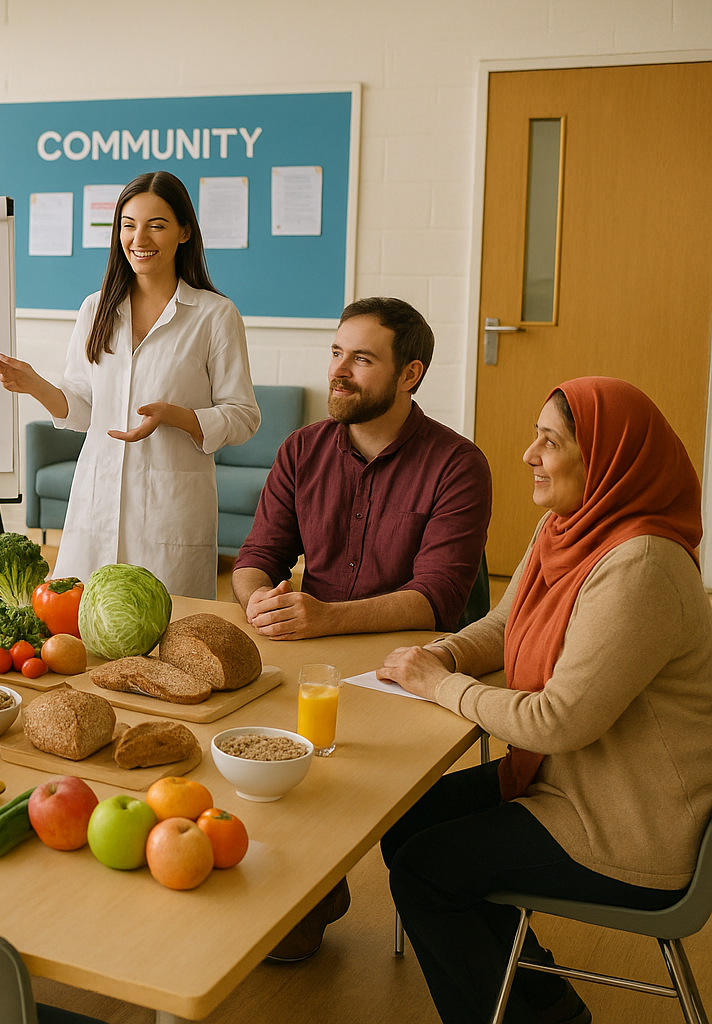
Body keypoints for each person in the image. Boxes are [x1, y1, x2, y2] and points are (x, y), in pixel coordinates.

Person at [378, 378, 712, 1024]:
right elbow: (507, 625)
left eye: (550, 442)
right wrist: (445, 656)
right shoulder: (568, 526)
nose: (529, 453)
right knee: (404, 820)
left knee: (425, 871)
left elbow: (558, 721)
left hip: (629, 825)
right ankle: (546, 1004)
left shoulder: (641, 564)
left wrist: (439, 685)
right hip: (575, 785)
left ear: (609, 461)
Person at [0, 170, 259, 599]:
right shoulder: (95, 308)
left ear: (184, 232)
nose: (140, 238)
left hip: (170, 510)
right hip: (96, 504)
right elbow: (80, 407)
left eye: (157, 225)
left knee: (168, 632)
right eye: (128, 225)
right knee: (82, 625)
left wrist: (177, 416)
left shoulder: (214, 315)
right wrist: (35, 384)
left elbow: (243, 417)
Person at [232, 296, 492, 638]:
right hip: (312, 644)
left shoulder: (458, 466)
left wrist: (327, 618)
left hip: (408, 652)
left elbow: (437, 597)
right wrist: (258, 600)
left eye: (362, 359)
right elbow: (259, 555)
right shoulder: (300, 449)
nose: (338, 371)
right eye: (337, 353)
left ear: (409, 375)